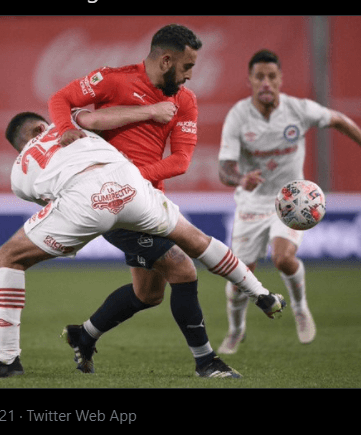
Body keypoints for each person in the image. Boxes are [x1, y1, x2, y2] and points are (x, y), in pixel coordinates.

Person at [0, 112, 285, 379]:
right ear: (40, 126)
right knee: (192, 251)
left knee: (11, 256)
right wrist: (153, 111)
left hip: (88, 201)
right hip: (131, 183)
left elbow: (50, 199)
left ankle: (13, 357)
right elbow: (104, 122)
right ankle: (256, 301)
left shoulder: (19, 169)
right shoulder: (77, 121)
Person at [47, 24, 233, 376]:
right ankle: (206, 362)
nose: (190, 75)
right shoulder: (113, 80)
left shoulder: (184, 101)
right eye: (187, 67)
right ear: (166, 60)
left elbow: (180, 161)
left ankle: (83, 335)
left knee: (148, 293)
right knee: (183, 269)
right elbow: (60, 99)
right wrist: (66, 129)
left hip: (148, 202)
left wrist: (134, 179)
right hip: (111, 201)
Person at [216, 49, 361, 354]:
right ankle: (236, 330)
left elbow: (338, 119)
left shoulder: (298, 109)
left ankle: (299, 307)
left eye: (271, 76)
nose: (266, 83)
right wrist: (240, 178)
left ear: (280, 79)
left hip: (291, 201)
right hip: (252, 203)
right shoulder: (238, 116)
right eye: (259, 77)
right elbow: (224, 169)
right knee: (240, 277)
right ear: (250, 80)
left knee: (283, 258)